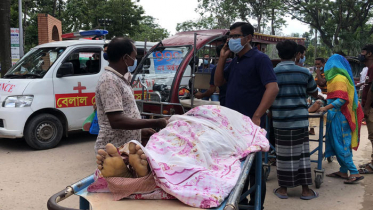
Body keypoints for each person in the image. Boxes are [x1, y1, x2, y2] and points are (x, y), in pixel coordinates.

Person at [93, 105, 269, 208]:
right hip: (209, 128)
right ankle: (151, 170)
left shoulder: (201, 112)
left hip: (189, 124)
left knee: (170, 140)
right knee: (198, 146)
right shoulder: (240, 119)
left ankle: (149, 170)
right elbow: (253, 136)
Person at [215, 22, 279, 208]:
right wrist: (222, 58)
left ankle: (257, 205)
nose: (231, 40)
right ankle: (239, 203)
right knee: (236, 168)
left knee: (253, 169)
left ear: (248, 38)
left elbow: (272, 87)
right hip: (232, 125)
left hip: (251, 125)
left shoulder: (260, 59)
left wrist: (257, 115)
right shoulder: (234, 60)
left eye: (236, 36)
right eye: (230, 36)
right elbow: (219, 82)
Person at [94, 37, 167, 153]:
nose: (135, 60)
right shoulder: (109, 80)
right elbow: (116, 121)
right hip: (114, 149)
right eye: (134, 56)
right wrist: (156, 122)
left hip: (126, 147)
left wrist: (139, 131)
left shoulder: (121, 79)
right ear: (125, 58)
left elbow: (126, 113)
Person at [271, 40, 319, 200]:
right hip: (299, 120)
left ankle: (283, 189)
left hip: (280, 120)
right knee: (302, 155)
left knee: (283, 155)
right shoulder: (304, 73)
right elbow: (313, 92)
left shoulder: (273, 73)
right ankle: (305, 190)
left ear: (279, 54)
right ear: (297, 55)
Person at [319, 54, 364, 183]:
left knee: (342, 145)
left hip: (340, 117)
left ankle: (354, 172)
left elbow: (342, 99)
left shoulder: (339, 78)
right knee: (337, 143)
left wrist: (326, 108)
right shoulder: (336, 79)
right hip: (336, 116)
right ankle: (343, 171)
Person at [361, 44, 373, 174]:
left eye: (363, 52)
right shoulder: (369, 69)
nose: (361, 54)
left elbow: (372, 90)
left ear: (369, 54)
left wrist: (366, 108)